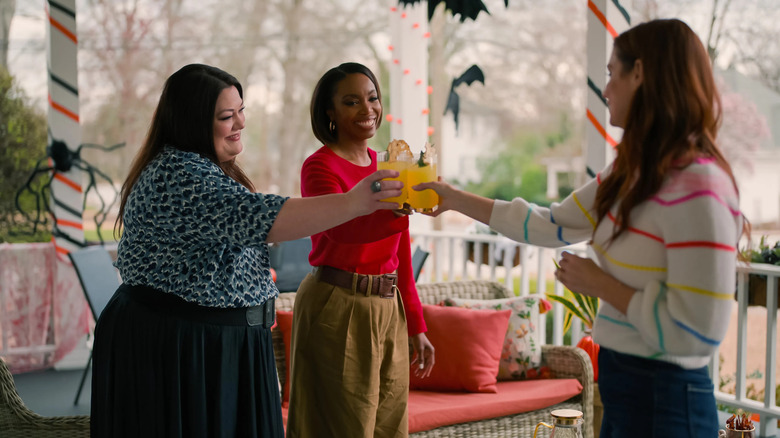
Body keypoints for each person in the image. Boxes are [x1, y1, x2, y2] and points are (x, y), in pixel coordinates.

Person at [416, 19, 748, 437]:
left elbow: (697, 333)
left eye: (612, 73)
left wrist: (602, 285)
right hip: (622, 388)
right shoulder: (631, 175)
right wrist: (454, 198)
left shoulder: (701, 187)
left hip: (667, 402)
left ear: (641, 73)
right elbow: (549, 224)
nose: (605, 88)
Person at [91, 63, 403, 438]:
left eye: (242, 111)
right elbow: (262, 218)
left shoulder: (207, 167)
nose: (240, 123)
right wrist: (357, 201)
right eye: (227, 116)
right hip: (181, 347)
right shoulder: (180, 175)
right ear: (192, 121)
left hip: (214, 344)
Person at [285, 62, 435, 438]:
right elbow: (342, 231)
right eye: (352, 101)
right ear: (330, 113)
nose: (368, 109)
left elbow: (399, 254)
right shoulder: (319, 167)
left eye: (372, 98)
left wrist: (416, 324)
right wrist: (404, 209)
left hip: (387, 307)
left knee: (389, 426)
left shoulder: (386, 165)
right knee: (342, 429)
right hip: (338, 305)